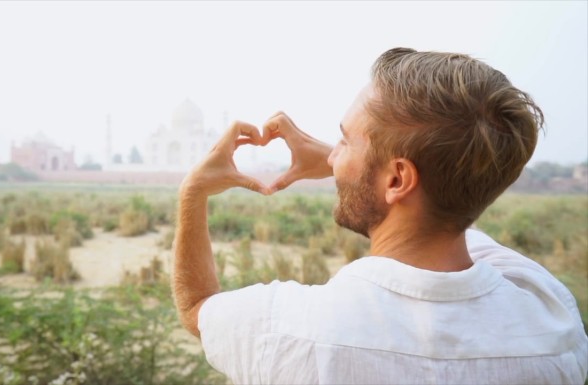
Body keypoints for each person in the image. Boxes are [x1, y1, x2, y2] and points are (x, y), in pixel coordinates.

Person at [172, 47, 588, 384]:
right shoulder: (552, 320)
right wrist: (354, 164)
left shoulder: (290, 329)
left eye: (344, 140)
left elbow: (198, 307)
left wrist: (193, 193)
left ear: (397, 180)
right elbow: (452, 201)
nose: (334, 155)